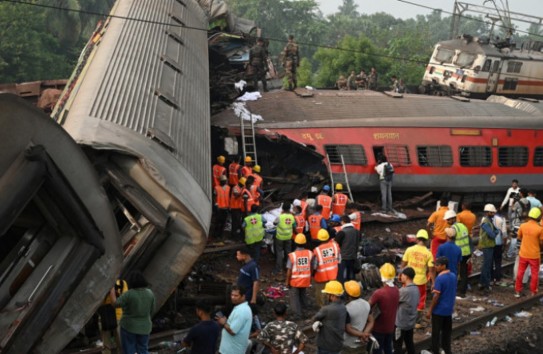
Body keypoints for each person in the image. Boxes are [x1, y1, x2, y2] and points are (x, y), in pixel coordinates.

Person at [109, 271, 155, 354]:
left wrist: (112, 290)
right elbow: (152, 310)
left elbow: (116, 304)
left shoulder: (129, 294)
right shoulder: (150, 293)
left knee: (129, 350)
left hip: (128, 326)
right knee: (143, 350)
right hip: (145, 327)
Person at [427, 257, 457, 354]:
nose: (435, 267)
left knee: (436, 334)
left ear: (443, 266)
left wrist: (430, 310)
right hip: (448, 310)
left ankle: (435, 351)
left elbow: (436, 296)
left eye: (437, 265)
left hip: (439, 311)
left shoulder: (440, 278)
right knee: (446, 334)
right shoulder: (453, 276)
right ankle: (447, 351)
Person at [401, 229, 434, 314]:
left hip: (408, 280)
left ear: (417, 239)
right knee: (420, 300)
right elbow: (431, 271)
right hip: (421, 281)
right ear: (426, 241)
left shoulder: (409, 250)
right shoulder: (428, 253)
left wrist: (400, 276)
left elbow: (403, 265)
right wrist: (433, 283)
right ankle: (417, 321)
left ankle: (405, 315)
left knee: (406, 298)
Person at [369, 263, 399, 354]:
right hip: (390, 326)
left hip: (378, 328)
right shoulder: (397, 290)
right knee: (388, 348)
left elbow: (368, 306)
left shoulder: (379, 293)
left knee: (377, 350)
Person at [311, 280, 349, 354]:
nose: (326, 296)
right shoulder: (343, 307)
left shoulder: (326, 309)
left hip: (326, 346)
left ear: (332, 296)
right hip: (338, 344)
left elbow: (314, 318)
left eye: (327, 294)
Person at [515, 207, 543, 297]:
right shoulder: (540, 229)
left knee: (520, 272)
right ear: (538, 216)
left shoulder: (523, 226)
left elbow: (519, 237)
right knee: (535, 274)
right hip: (534, 255)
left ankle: (518, 290)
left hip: (523, 253)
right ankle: (533, 292)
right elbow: (541, 242)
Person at [217, 285, 253, 354]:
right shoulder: (241, 308)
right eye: (232, 295)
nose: (233, 297)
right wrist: (227, 321)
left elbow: (233, 331)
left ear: (243, 296)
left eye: (236, 296)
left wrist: (224, 323)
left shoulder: (241, 310)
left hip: (232, 350)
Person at [286, 233, 313, 320]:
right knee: (303, 295)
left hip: (295, 281)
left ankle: (297, 315)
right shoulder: (309, 253)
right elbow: (312, 266)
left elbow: (289, 270)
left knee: (294, 298)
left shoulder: (292, 255)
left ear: (295, 242)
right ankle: (306, 310)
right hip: (305, 279)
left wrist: (287, 282)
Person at [445, 211, 472, 298]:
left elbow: (450, 239)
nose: (447, 221)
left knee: (455, 271)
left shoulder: (453, 228)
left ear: (453, 219)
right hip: (466, 252)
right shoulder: (462, 225)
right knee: (463, 272)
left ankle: (458, 291)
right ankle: (462, 291)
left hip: (458, 252)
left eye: (448, 220)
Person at [343, 281, 374, 354]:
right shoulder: (366, 304)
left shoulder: (347, 308)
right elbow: (371, 321)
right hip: (362, 343)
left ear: (348, 295)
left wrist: (362, 335)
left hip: (349, 343)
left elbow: (348, 329)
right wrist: (365, 333)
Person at [312, 229, 341, 308]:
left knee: (321, 295)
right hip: (333, 275)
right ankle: (333, 307)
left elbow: (314, 266)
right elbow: (339, 260)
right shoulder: (335, 245)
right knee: (333, 293)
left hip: (321, 277)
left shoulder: (317, 250)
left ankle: (323, 309)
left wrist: (312, 275)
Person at [393, 267, 419, 354]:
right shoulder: (416, 289)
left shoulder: (404, 291)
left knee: (397, 345)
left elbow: (394, 302)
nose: (401, 276)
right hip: (410, 323)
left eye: (402, 275)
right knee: (409, 343)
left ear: (406, 276)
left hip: (400, 323)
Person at [478, 204, 499, 295]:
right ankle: (485, 284)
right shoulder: (486, 223)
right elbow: (493, 234)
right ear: (487, 212)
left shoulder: (489, 221)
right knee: (487, 265)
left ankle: (482, 283)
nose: (493, 213)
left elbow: (497, 230)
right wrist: (495, 232)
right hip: (487, 246)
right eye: (492, 212)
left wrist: (496, 231)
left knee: (487, 265)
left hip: (489, 246)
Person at [335, 215, 360, 283]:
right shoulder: (356, 231)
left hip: (344, 257)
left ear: (343, 222)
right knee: (352, 276)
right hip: (353, 256)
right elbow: (358, 241)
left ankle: (345, 290)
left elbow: (336, 243)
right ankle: (353, 290)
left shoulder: (342, 232)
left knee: (343, 276)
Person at [274, 202, 296, 273]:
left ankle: (278, 269)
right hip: (288, 237)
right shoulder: (292, 217)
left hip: (279, 237)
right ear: (289, 209)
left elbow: (274, 223)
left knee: (279, 252)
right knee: (288, 252)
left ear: (282, 208)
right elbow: (294, 226)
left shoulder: (280, 216)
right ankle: (288, 267)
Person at [492, 211, 508, 285]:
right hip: (498, 243)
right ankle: (497, 277)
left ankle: (491, 277)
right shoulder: (502, 219)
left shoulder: (488, 219)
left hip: (490, 243)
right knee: (498, 261)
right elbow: (504, 234)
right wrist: (504, 244)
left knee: (490, 261)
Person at [213, 175, 230, 239]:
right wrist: (216, 204)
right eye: (223, 181)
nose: (224, 182)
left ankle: (220, 235)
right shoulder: (216, 188)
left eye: (225, 181)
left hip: (226, 207)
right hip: (219, 207)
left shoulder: (228, 187)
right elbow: (215, 196)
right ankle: (216, 235)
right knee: (218, 222)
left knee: (223, 222)